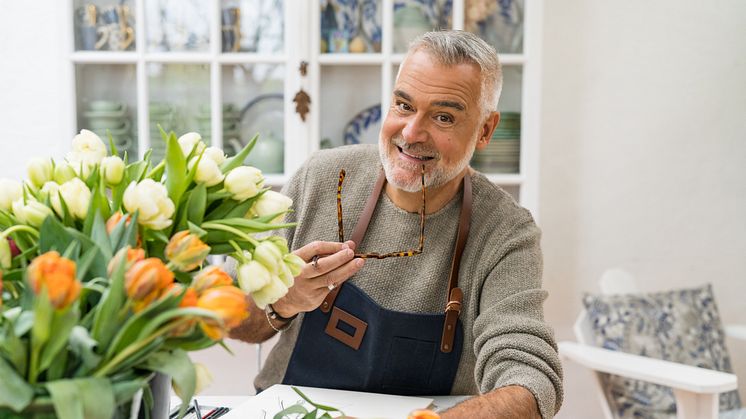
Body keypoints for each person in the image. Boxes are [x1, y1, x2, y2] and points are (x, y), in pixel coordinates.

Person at [229, 30, 563, 418]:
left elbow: (532, 382)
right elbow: (231, 316)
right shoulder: (321, 179)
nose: (411, 133)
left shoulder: (505, 232)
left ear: (485, 130)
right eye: (404, 105)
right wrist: (282, 301)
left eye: (443, 116)